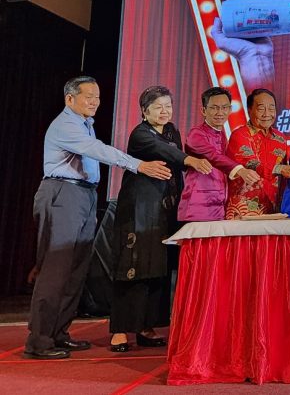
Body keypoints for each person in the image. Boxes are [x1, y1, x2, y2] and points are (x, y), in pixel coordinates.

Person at [24, 77, 169, 360]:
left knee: (76, 270)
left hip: (84, 195)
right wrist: (138, 165)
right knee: (56, 269)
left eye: (98, 96)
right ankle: (39, 340)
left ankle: (58, 333)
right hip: (63, 193)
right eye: (88, 96)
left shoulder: (84, 124)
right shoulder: (66, 125)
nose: (95, 101)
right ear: (70, 98)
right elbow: (99, 151)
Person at [109, 86, 212, 352]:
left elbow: (175, 165)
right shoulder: (140, 134)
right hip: (139, 211)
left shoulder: (171, 131)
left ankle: (147, 326)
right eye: (158, 107)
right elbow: (166, 152)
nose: (165, 111)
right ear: (144, 111)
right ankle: (120, 330)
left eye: (168, 106)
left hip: (166, 209)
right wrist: (190, 160)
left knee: (159, 268)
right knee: (133, 266)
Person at [225, 88, 290, 218]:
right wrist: (281, 169)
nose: (267, 114)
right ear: (249, 110)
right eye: (261, 108)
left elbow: (283, 177)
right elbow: (251, 163)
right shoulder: (240, 135)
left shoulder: (280, 137)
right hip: (245, 208)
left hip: (274, 207)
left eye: (271, 108)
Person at [178, 87, 248, 222]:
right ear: (203, 110)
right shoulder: (196, 134)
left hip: (219, 204)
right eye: (214, 108)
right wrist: (240, 170)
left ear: (230, 109)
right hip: (198, 205)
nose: (220, 112)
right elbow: (214, 156)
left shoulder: (222, 135)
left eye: (224, 107)